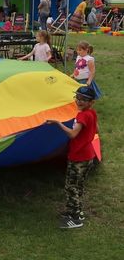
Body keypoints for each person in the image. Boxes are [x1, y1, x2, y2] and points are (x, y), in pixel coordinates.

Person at [46, 86, 98, 229]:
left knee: (71, 187)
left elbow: (72, 134)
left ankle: (75, 219)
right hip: (88, 155)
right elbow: (96, 129)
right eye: (78, 98)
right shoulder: (92, 113)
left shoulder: (82, 115)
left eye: (84, 100)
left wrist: (58, 123)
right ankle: (75, 211)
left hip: (79, 157)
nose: (79, 101)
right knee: (78, 186)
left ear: (91, 102)